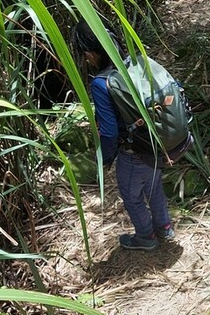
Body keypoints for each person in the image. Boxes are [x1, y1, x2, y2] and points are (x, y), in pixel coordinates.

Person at [73, 18, 175, 251]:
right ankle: (165, 227)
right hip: (154, 145)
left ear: (90, 52)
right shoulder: (134, 65)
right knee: (154, 188)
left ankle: (146, 237)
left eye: (85, 53)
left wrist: (105, 158)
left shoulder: (102, 83)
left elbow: (109, 131)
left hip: (132, 153)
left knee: (132, 196)